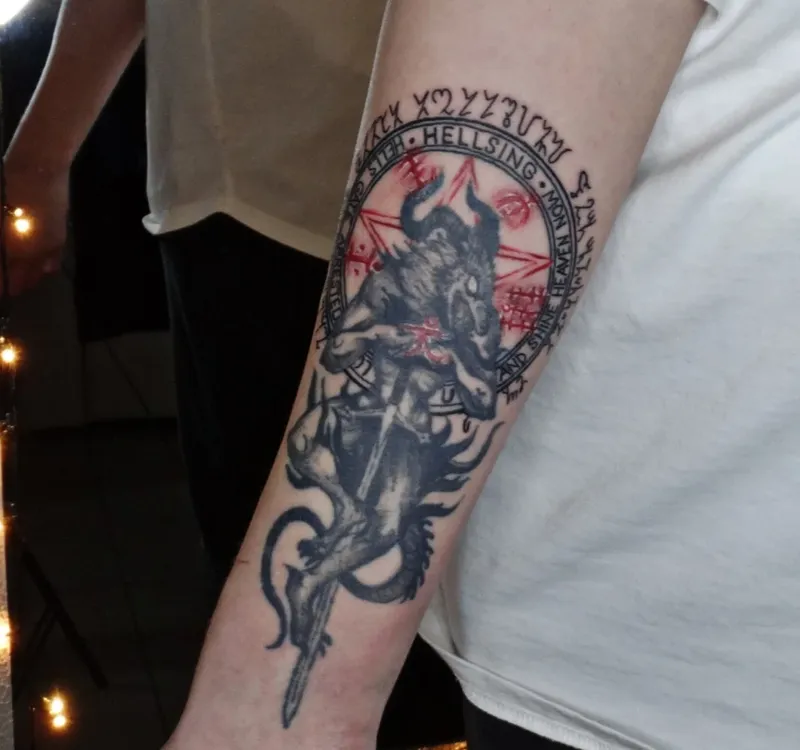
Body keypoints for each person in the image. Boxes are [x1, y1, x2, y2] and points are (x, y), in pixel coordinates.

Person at [147, 1, 799, 749]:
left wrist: (450, 351)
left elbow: (479, 384)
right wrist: (276, 714)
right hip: (631, 679)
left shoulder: (471, 308)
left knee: (375, 531)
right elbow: (359, 337)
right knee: (347, 526)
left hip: (735, 630)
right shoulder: (401, 283)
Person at [4, 0, 465, 747]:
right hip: (243, 196)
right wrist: (39, 158)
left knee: (436, 608)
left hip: (427, 196)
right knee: (278, 575)